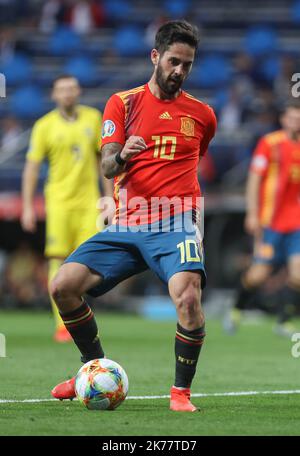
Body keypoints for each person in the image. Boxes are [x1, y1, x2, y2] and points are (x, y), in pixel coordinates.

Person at [50, 20, 217, 412]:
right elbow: (107, 166)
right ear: (155, 56)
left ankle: (180, 393)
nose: (179, 70)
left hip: (175, 221)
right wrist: (124, 154)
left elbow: (194, 160)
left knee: (189, 299)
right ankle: (90, 370)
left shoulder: (203, 115)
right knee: (63, 285)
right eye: (174, 61)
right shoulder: (122, 103)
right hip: (127, 222)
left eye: (187, 65)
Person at [21, 74, 112, 342]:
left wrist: (109, 199)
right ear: (54, 95)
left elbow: (103, 162)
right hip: (59, 202)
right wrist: (27, 206)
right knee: (58, 260)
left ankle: (81, 318)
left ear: (79, 91)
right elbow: (32, 168)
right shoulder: (44, 126)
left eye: (72, 88)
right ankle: (63, 324)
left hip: (88, 203)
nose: (68, 93)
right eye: (62, 89)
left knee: (87, 262)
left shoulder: (93, 119)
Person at [225, 101, 300, 336]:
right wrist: (252, 213)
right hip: (271, 222)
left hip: (296, 223)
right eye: (292, 117)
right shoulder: (270, 144)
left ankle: (284, 321)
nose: (295, 122)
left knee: (298, 274)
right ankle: (236, 310)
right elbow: (255, 179)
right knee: (259, 275)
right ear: (284, 119)